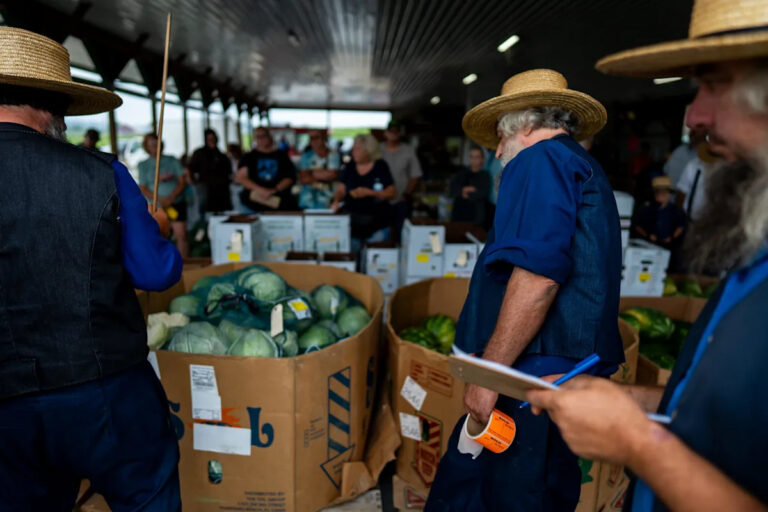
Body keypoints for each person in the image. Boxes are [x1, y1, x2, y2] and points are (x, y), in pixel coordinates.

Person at [527, 2, 768, 511]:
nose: (694, 117)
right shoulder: (754, 257)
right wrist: (633, 406)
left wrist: (638, 444)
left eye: (716, 84)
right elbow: (739, 423)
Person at [425, 69, 625, 511]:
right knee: (540, 488)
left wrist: (490, 375)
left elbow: (538, 278)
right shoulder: (576, 162)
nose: (497, 151)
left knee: (508, 493)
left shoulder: (540, 161)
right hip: (556, 366)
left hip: (533, 369)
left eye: (499, 137)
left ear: (524, 125)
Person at [0, 27, 183, 511]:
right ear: (54, 105)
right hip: (106, 390)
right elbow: (155, 273)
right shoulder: (103, 173)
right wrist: (157, 228)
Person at [331, 134, 396, 252]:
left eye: (357, 148)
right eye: (353, 148)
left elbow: (391, 193)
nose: (353, 152)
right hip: (353, 226)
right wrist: (336, 201)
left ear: (368, 150)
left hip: (377, 225)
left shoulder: (380, 166)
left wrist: (370, 193)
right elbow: (341, 190)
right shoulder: (349, 166)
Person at [138, 133, 189, 257]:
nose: (155, 145)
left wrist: (171, 197)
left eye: (157, 142)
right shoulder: (143, 165)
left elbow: (182, 182)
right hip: (155, 206)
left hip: (175, 203)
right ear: (146, 147)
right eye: (151, 143)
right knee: (157, 235)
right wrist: (161, 200)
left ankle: (184, 264)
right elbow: (143, 187)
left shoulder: (172, 160)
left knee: (181, 234)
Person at [235, 127, 298, 212]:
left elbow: (290, 177)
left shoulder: (282, 156)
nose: (261, 139)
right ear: (255, 139)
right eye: (258, 137)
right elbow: (241, 178)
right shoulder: (248, 157)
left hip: (279, 203)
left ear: (270, 137)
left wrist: (273, 190)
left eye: (264, 136)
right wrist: (260, 190)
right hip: (252, 203)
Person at [381, 120, 423, 239]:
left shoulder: (408, 150)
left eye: (396, 132)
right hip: (381, 199)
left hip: (401, 199)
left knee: (402, 232)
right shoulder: (378, 150)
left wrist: (407, 194)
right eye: (391, 131)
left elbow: (415, 174)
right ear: (386, 133)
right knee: (383, 232)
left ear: (400, 133)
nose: (393, 134)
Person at [632, 176, 687, 250]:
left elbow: (681, 226)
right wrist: (648, 235)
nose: (660, 195)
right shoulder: (647, 209)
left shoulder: (676, 211)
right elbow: (637, 225)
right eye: (657, 192)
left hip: (669, 248)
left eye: (663, 192)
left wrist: (671, 237)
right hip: (649, 246)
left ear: (669, 194)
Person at [188, 128, 233, 213]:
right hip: (205, 188)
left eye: (213, 138)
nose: (212, 141)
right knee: (204, 211)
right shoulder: (199, 153)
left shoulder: (221, 155)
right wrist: (193, 182)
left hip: (221, 189)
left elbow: (229, 172)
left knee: (222, 211)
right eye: (209, 139)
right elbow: (190, 169)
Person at [676, 143, 721, 222]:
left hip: (716, 221)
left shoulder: (724, 167)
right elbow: (681, 193)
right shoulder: (693, 166)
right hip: (691, 219)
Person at [298, 129, 341, 209]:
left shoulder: (333, 155)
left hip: (329, 201)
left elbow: (333, 175)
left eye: (316, 137)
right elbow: (304, 178)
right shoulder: (305, 156)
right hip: (308, 201)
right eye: (311, 138)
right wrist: (324, 174)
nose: (314, 141)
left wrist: (311, 172)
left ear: (324, 138)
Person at [449, 146, 491, 226]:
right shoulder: (461, 174)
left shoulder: (485, 176)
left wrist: (467, 193)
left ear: (482, 159)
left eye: (477, 157)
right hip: (459, 214)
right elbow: (452, 189)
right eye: (472, 157)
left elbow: (484, 193)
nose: (474, 160)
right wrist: (464, 190)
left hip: (476, 216)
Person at [226, 143, 244, 213]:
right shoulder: (229, 160)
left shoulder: (243, 159)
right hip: (233, 184)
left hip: (242, 184)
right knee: (235, 202)